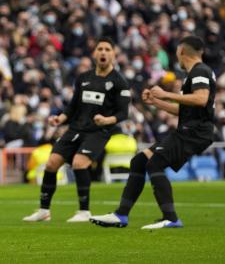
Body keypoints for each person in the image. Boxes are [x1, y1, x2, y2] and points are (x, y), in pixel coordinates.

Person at [90, 36, 215, 229]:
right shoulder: (196, 73)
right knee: (139, 161)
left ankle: (171, 218)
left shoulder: (200, 71)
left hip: (194, 132)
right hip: (189, 130)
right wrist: (157, 103)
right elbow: (186, 110)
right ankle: (121, 215)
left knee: (154, 163)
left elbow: (201, 99)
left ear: (182, 51)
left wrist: (165, 94)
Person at [23, 37, 130, 223]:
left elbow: (123, 113)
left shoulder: (119, 82)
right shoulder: (83, 78)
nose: (103, 52)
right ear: (94, 53)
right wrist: (59, 119)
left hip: (99, 132)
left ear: (113, 54)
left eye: (107, 49)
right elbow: (73, 107)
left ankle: (84, 211)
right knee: (51, 164)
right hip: (75, 129)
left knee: (80, 163)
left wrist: (106, 120)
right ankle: (44, 210)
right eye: (100, 49)